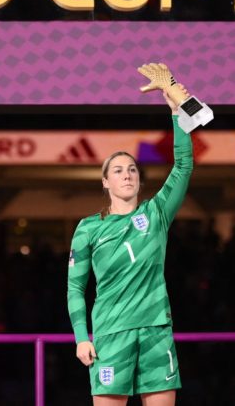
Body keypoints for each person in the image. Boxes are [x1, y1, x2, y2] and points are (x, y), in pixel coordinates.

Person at [67, 84, 193, 406]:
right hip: (111, 334)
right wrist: (82, 338)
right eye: (118, 171)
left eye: (133, 169)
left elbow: (183, 166)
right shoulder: (88, 229)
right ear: (106, 182)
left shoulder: (157, 213)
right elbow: (75, 289)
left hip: (156, 331)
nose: (127, 175)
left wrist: (177, 113)